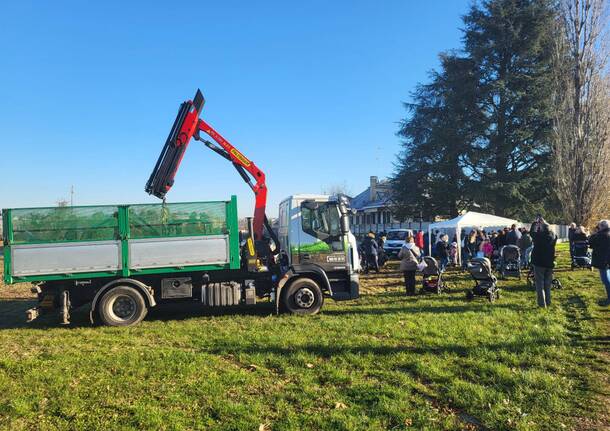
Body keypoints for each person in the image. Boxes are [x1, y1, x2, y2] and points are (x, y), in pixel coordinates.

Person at [530, 217, 557, 308]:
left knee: (539, 284)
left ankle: (542, 304)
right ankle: (548, 301)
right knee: (547, 284)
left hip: (539, 262)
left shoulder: (539, 236)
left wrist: (535, 223)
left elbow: (532, 233)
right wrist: (543, 223)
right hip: (549, 261)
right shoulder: (553, 236)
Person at [588, 220, 610, 306]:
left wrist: (595, 232)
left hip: (603, 260)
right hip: (607, 259)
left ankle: (609, 298)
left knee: (605, 280)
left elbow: (590, 243)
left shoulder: (600, 235)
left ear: (601, 227)